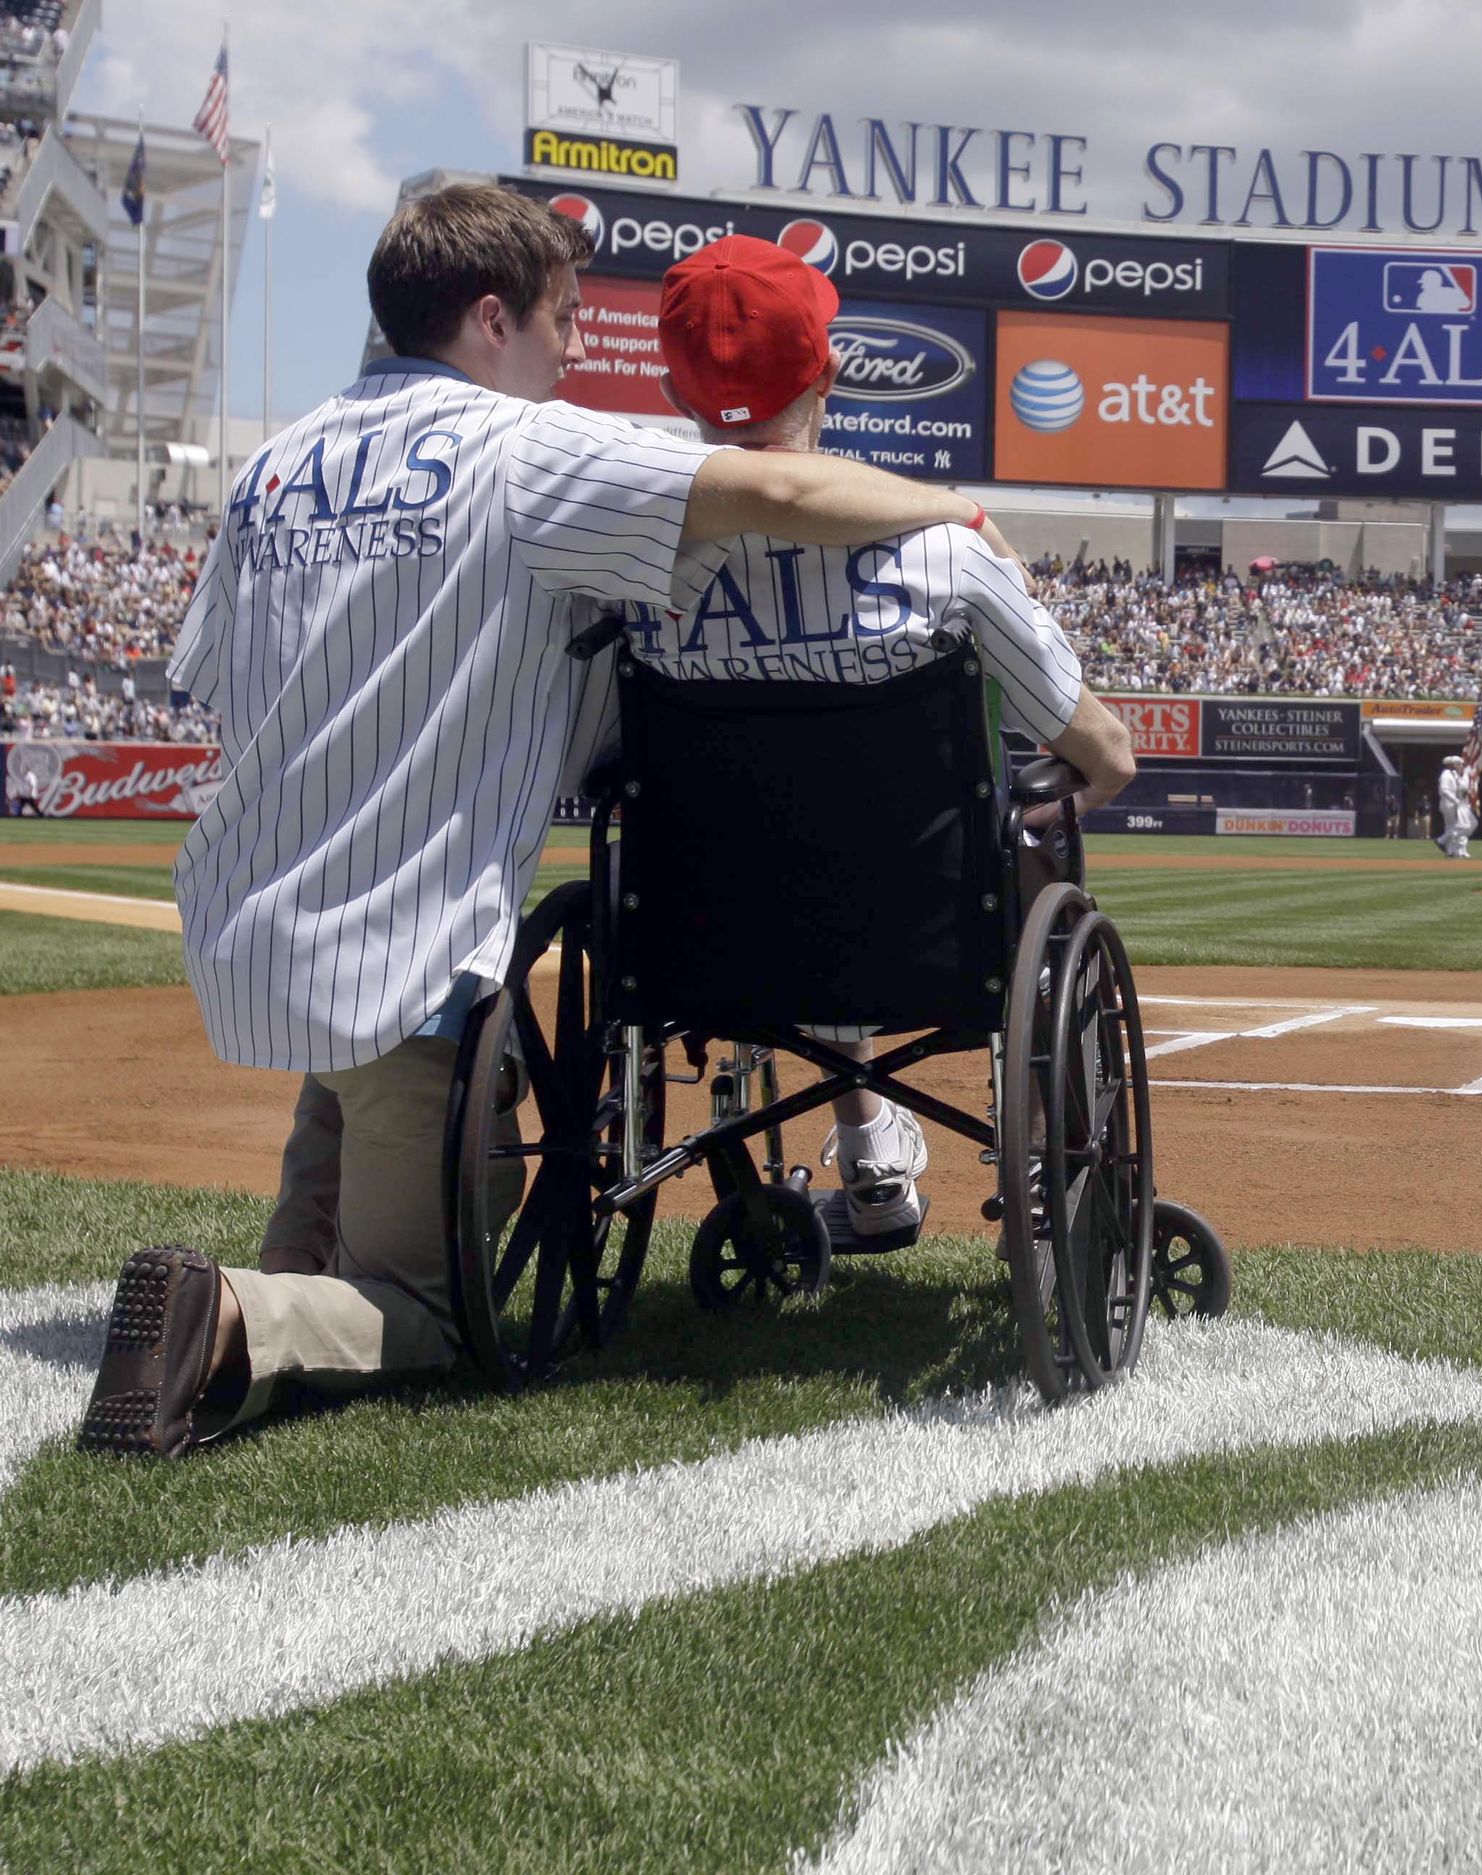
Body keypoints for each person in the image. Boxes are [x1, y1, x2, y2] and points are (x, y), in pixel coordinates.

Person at [78, 184, 1020, 1459]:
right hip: (406, 953)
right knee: (433, 1303)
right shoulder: (524, 445)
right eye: (565, 319)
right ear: (487, 318)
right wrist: (948, 509)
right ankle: (236, 1308)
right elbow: (781, 497)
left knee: (346, 1149)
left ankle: (256, 1292)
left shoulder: (271, 465)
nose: (577, 348)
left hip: (258, 926)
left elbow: (217, 678)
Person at [631, 233, 1137, 1245]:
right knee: (1006, 858)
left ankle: (868, 1152)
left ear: (673, 385)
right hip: (927, 930)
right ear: (827, 370)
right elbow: (1109, 756)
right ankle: (1041, 1171)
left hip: (706, 937)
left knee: (779, 850)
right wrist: (1056, 801)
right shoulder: (945, 553)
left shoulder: (620, 555)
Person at [1436, 753, 1476, 858]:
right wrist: (1455, 800)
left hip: (1453, 803)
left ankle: (1451, 851)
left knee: (1451, 826)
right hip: (1448, 803)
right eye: (1458, 764)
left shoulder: (1453, 775)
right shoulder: (1446, 775)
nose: (1460, 766)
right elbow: (1444, 790)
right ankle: (1442, 841)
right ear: (1451, 765)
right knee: (1458, 826)